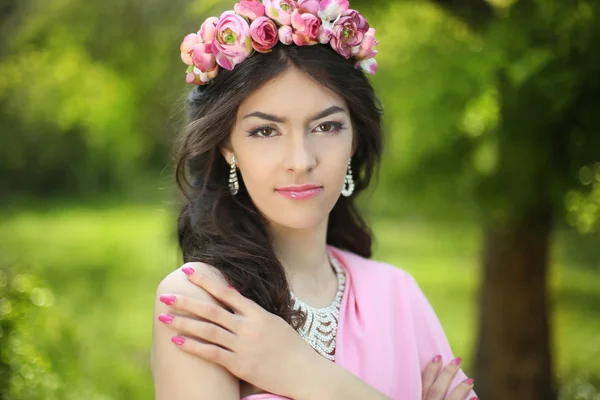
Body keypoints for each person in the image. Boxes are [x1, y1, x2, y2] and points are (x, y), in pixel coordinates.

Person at [151, 1, 479, 399]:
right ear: (226, 146)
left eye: (326, 126)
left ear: (355, 138)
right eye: (266, 132)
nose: (302, 161)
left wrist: (302, 372)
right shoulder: (205, 304)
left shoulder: (397, 295)